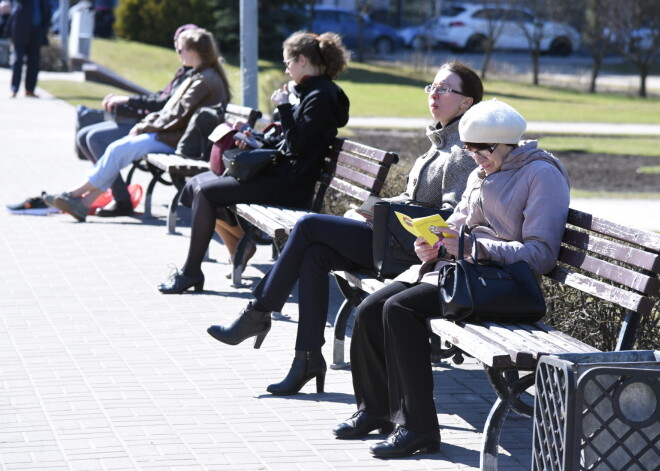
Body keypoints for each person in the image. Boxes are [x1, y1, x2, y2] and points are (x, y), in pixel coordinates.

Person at [205, 61, 484, 397]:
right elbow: (413, 197)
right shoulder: (439, 141)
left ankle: (257, 312)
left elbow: (450, 217)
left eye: (445, 89)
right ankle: (306, 359)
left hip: (411, 253)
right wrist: (372, 209)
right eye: (432, 87)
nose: (434, 94)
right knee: (315, 255)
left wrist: (389, 215)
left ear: (466, 102)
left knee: (308, 225)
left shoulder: (461, 152)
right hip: (392, 239)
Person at [332, 98, 570, 459]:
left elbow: (541, 255)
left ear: (509, 142)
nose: (476, 157)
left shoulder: (542, 174)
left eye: (483, 149)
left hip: (502, 285)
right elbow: (458, 223)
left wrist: (472, 247)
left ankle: (419, 429)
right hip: (464, 273)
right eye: (471, 149)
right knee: (368, 309)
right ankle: (375, 411)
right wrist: (434, 244)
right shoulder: (482, 171)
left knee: (400, 311)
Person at [158, 30, 351, 295]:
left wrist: (283, 106)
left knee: (205, 192)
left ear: (303, 60)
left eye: (288, 63)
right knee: (196, 185)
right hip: (284, 175)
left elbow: (297, 145)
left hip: (291, 185)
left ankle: (192, 272)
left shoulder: (320, 96)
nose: (286, 71)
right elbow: (292, 142)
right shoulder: (312, 92)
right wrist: (257, 141)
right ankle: (236, 246)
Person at [44, 28, 231, 222]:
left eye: (181, 50)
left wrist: (143, 127)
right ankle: (83, 202)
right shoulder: (199, 75)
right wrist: (146, 124)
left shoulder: (204, 80)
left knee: (119, 149)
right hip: (175, 135)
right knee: (119, 150)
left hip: (180, 141)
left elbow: (177, 116)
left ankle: (74, 195)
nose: (179, 54)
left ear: (194, 51)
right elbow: (171, 112)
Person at [75, 23, 198, 217]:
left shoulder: (195, 76)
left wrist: (130, 104)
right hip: (151, 124)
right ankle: (102, 192)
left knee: (95, 139)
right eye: (177, 42)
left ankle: (120, 199)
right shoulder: (184, 71)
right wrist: (127, 101)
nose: (178, 48)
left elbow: (164, 106)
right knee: (83, 136)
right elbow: (161, 98)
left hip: (160, 130)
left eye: (183, 44)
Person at [6, 0, 52, 98]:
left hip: (37, 31)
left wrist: (43, 31)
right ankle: (14, 89)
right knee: (18, 60)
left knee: (34, 62)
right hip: (20, 31)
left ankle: (30, 89)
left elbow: (47, 11)